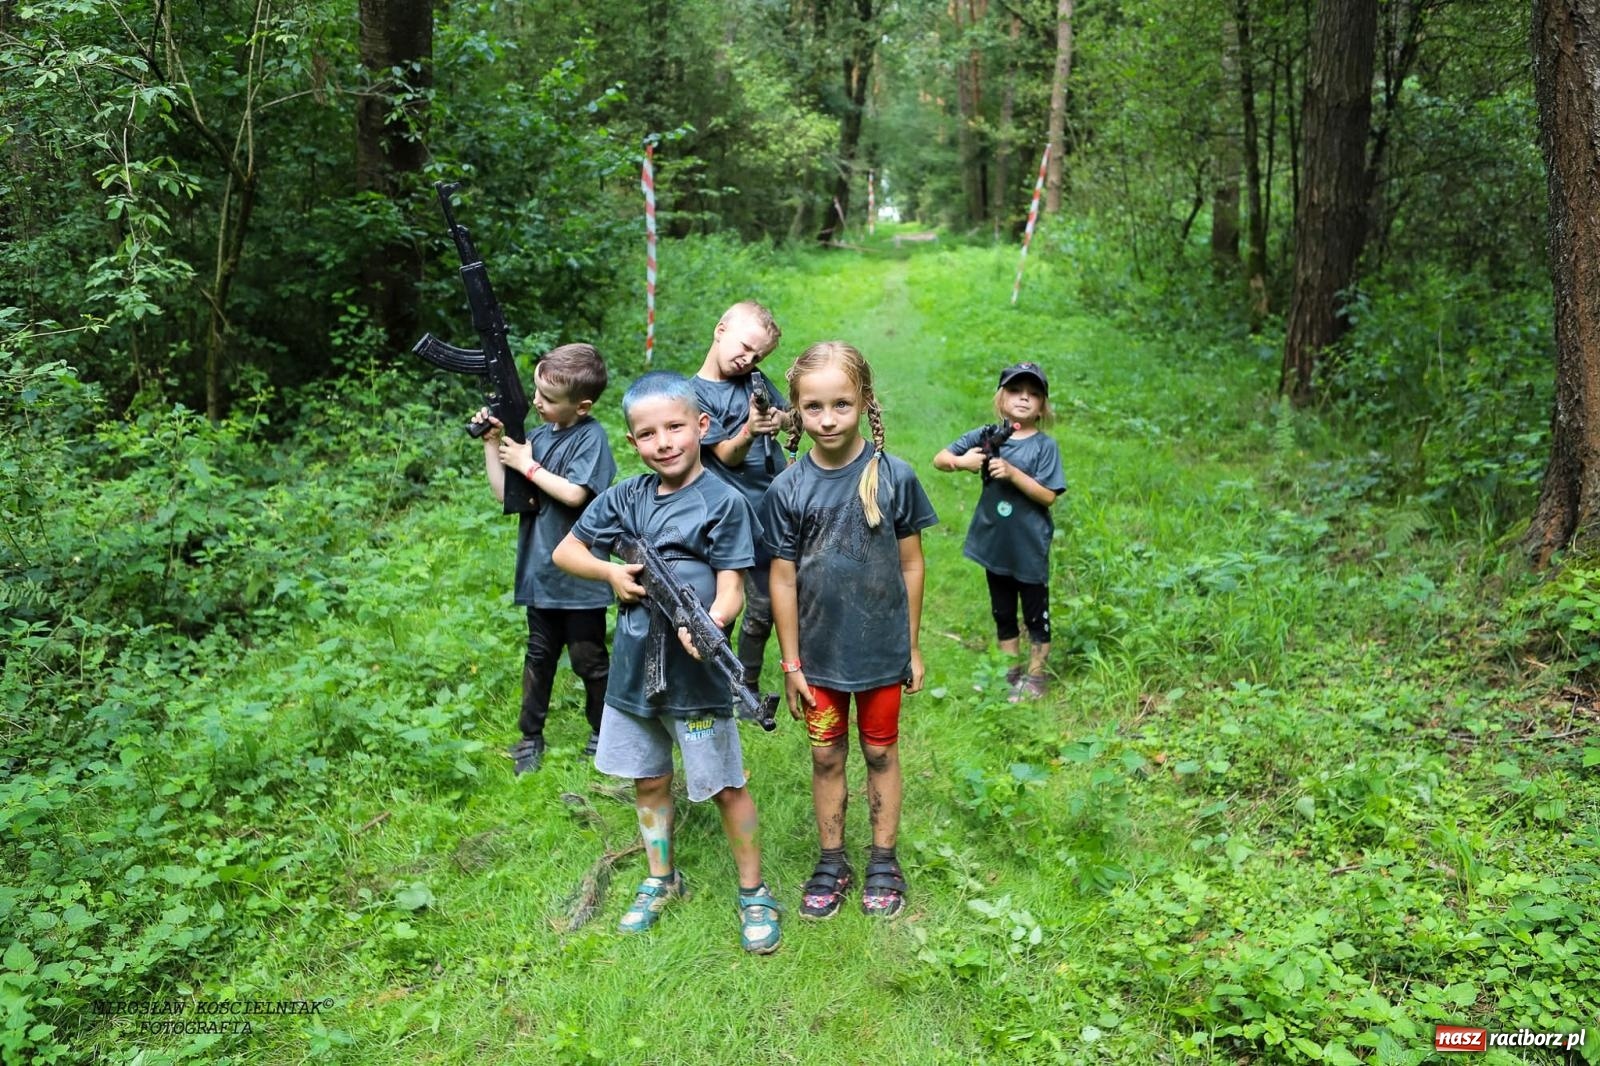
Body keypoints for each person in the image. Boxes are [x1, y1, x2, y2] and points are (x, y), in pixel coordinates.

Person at [551, 371, 782, 954]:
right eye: (648, 434)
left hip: (697, 674)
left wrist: (713, 626)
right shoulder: (626, 497)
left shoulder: (724, 502)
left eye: (676, 427)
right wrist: (611, 573)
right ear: (633, 443)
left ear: (702, 427)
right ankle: (661, 878)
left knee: (725, 784)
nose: (665, 442)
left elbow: (733, 586)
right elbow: (566, 550)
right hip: (633, 674)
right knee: (648, 779)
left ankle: (754, 891)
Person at [761, 341, 939, 920]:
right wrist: (791, 663)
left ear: (864, 400)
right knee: (826, 756)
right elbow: (782, 580)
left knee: (880, 752)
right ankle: (832, 859)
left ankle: (883, 859)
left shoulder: (896, 477)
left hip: (882, 652)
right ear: (796, 411)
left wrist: (910, 647)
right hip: (819, 660)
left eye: (841, 403)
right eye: (813, 407)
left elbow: (912, 565)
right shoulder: (787, 490)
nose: (829, 418)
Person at [478, 343, 617, 775]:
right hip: (540, 573)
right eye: (536, 391)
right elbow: (506, 494)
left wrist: (529, 465)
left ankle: (603, 734)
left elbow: (576, 493)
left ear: (582, 406)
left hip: (581, 578)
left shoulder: (590, 437)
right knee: (538, 656)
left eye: (548, 399)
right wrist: (493, 443)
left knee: (588, 660)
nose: (536, 402)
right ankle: (529, 737)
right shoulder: (534, 438)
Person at [932, 361, 1065, 702]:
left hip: (1029, 544)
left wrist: (1013, 473)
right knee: (1002, 610)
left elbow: (1048, 496)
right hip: (995, 542)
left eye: (1033, 394)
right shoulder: (987, 435)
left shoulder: (1044, 447)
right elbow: (941, 458)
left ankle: (1036, 678)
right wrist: (963, 462)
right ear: (1001, 398)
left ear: (1042, 406)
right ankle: (1010, 673)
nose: (1024, 399)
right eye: (1016, 392)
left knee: (1036, 612)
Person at [692, 300, 790, 690]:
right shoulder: (693, 396)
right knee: (722, 605)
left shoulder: (757, 382)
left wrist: (779, 420)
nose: (748, 359)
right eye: (745, 347)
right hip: (727, 518)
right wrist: (750, 430)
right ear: (720, 330)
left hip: (770, 509)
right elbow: (727, 457)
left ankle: (745, 683)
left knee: (764, 607)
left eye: (758, 355)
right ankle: (719, 678)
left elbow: (792, 417)